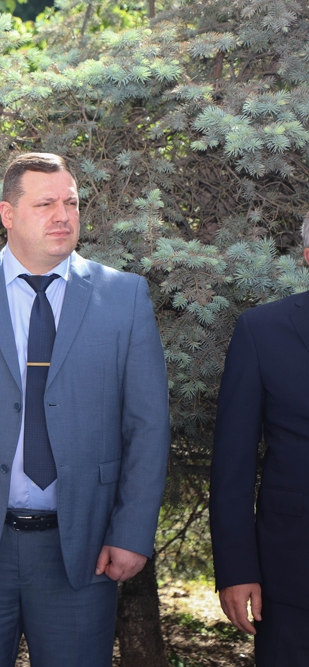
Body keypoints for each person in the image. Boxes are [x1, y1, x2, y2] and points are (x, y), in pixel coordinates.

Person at [0, 152, 170, 666]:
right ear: (7, 213)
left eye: (71, 203)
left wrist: (132, 532)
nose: (63, 216)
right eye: (45, 204)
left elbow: (148, 427)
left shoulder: (124, 297)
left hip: (82, 549)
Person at [210, 214, 309, 665]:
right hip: (293, 580)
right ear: (307, 256)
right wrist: (236, 568)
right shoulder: (262, 331)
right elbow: (232, 464)